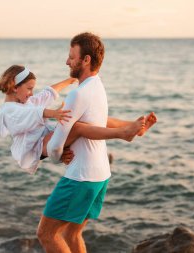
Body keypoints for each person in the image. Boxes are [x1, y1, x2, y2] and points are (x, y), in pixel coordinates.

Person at [36, 32, 157, 253]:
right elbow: (99, 121)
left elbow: (54, 147)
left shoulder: (77, 95)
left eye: (72, 56)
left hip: (80, 177)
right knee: (72, 233)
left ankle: (124, 133)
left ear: (86, 60)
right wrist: (131, 125)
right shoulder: (97, 87)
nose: (67, 61)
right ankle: (125, 132)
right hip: (101, 175)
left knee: (47, 233)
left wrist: (54, 157)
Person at [0, 65, 149, 174]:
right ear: (15, 87)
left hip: (45, 139)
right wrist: (54, 113)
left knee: (91, 117)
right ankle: (122, 133)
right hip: (36, 147)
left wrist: (70, 80)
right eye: (29, 88)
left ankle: (133, 126)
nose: (32, 93)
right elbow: (34, 114)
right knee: (76, 127)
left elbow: (48, 93)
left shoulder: (26, 101)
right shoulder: (8, 110)